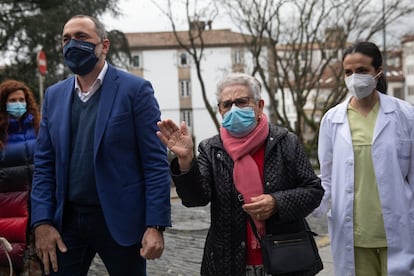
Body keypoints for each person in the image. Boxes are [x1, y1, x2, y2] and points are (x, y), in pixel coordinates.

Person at [30, 15, 171, 275]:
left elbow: (154, 162)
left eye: (81, 37)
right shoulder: (54, 96)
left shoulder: (135, 90)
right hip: (67, 223)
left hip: (121, 222)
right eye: (66, 39)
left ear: (104, 45)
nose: (72, 44)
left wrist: (156, 224)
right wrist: (42, 222)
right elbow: (44, 166)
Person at [157, 73, 324, 275]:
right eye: (227, 104)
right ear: (220, 110)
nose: (234, 109)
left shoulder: (286, 142)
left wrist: (277, 202)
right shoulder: (211, 149)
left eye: (242, 102)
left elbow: (313, 190)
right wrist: (186, 161)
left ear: (259, 105)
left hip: (286, 257)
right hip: (228, 262)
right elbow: (195, 199)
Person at [317, 41, 414, 275]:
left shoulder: (405, 115)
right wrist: (308, 207)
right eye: (348, 72)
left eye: (362, 71)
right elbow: (327, 177)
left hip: (398, 227)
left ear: (377, 72)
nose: (354, 78)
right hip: (354, 233)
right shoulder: (333, 119)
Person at [0, 80, 42, 274]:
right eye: (13, 100)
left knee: (37, 265)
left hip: (36, 209)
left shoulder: (38, 127)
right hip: (7, 210)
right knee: (8, 264)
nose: (18, 104)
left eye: (21, 100)